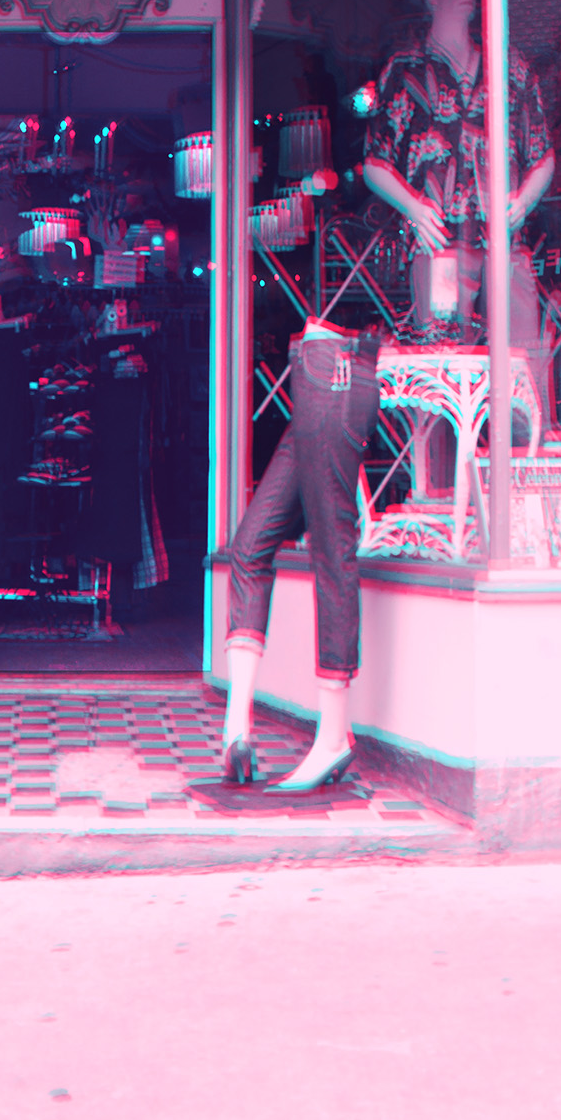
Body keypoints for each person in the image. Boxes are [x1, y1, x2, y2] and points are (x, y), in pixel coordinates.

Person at [359, 0, 554, 346]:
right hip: (441, 244)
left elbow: (543, 153)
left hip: (505, 241)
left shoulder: (509, 68)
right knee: (443, 355)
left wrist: (523, 201)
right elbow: (374, 163)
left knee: (520, 356)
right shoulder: (406, 70)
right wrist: (413, 207)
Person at [215, 316, 383, 794]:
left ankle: (333, 737)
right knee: (250, 548)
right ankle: (236, 729)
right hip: (317, 382)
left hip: (334, 377)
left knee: (332, 556)